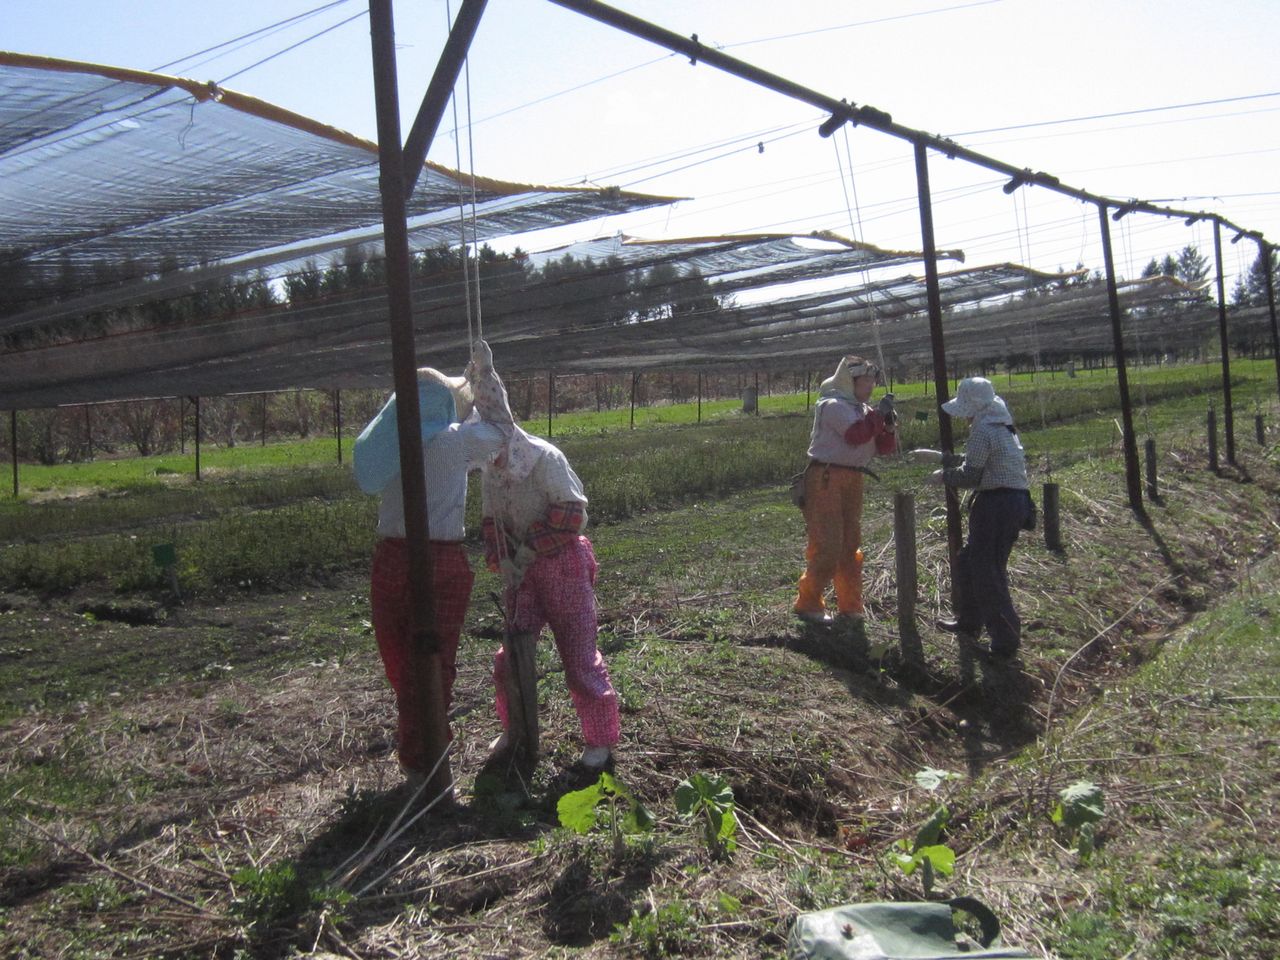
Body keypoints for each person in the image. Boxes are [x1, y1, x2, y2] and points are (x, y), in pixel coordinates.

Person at [353, 340, 514, 782]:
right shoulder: (457, 443)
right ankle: (427, 755)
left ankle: (418, 752)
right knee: (434, 661)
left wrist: (473, 386)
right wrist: (487, 381)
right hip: (440, 559)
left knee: (403, 661)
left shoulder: (392, 442)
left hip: (391, 557)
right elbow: (503, 432)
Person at [481, 425, 619, 771]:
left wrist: (531, 547)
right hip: (522, 572)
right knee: (511, 654)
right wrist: (505, 559)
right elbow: (491, 522)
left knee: (579, 655)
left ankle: (599, 740)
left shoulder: (545, 459)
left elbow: (571, 514)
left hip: (563, 565)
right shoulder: (490, 470)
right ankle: (516, 730)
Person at [922, 376, 1032, 662]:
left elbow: (972, 474)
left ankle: (1005, 639)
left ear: (973, 406)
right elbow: (978, 459)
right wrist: (942, 458)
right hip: (1013, 502)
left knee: (987, 570)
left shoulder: (983, 429)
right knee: (969, 562)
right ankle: (970, 621)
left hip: (996, 504)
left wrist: (943, 476)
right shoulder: (1000, 424)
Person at [794, 354, 897, 624]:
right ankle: (808, 603)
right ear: (849, 382)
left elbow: (884, 448)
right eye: (866, 382)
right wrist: (877, 416)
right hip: (827, 477)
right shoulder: (832, 405)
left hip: (853, 479)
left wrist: (887, 427)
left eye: (873, 382)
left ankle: (850, 607)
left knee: (850, 545)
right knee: (828, 543)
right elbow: (855, 436)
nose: (871, 387)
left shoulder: (862, 410)